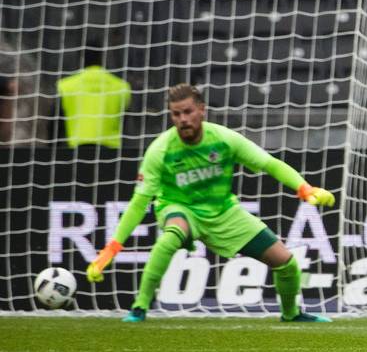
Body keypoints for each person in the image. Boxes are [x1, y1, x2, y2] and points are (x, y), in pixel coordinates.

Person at [86, 84, 336, 323]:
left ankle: (291, 314)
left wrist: (304, 188)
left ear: (201, 110)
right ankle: (140, 306)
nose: (183, 119)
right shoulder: (160, 150)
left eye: (187, 112)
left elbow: (269, 163)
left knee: (285, 262)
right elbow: (139, 203)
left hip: (223, 213)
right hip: (179, 208)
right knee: (172, 235)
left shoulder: (224, 139)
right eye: (176, 114)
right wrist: (111, 249)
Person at [57, 48, 131, 151]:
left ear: (81, 59)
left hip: (77, 149)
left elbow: (56, 122)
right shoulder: (121, 86)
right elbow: (125, 121)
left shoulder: (65, 85)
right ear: (102, 58)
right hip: (111, 151)